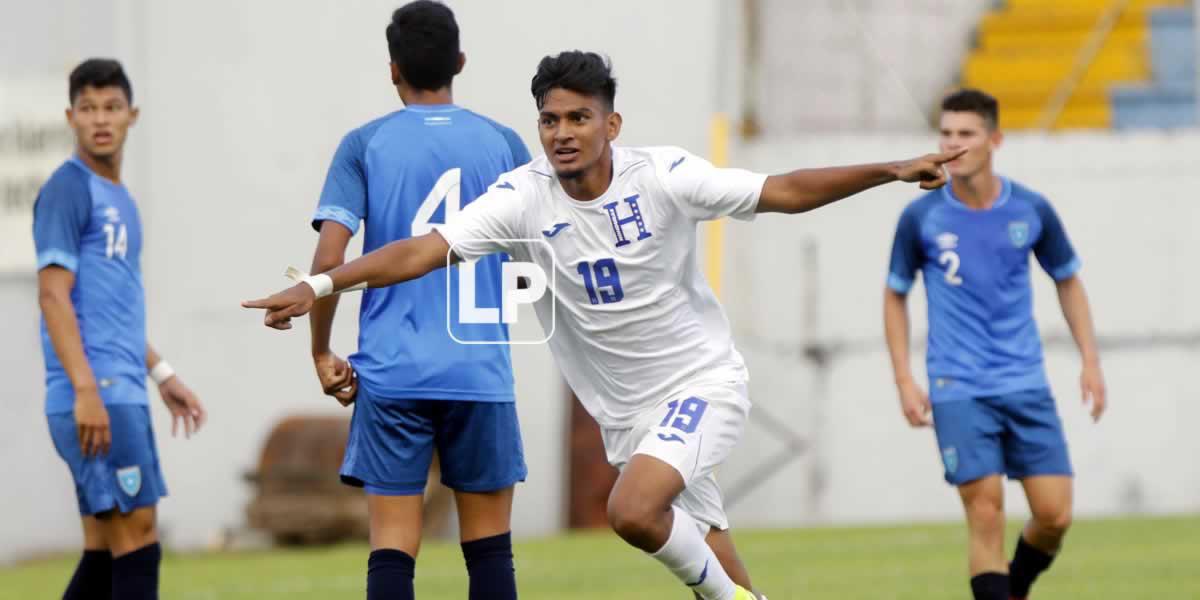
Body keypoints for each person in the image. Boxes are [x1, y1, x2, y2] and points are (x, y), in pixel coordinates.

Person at [245, 51, 959, 600]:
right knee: (712, 551)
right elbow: (423, 249)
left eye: (578, 118)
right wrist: (320, 283)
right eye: (550, 120)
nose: (562, 133)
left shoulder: (664, 177)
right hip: (629, 419)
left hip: (703, 387)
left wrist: (890, 169)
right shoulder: (520, 199)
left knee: (634, 511)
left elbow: (781, 190)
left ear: (610, 124)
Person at [303, 3, 529, 599]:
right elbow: (540, 256)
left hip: (393, 370)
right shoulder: (504, 143)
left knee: (393, 550)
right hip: (479, 371)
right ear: (459, 62)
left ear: (392, 69)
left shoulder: (365, 143)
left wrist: (321, 350)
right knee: (489, 552)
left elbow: (329, 261)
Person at [882, 89, 1106, 600]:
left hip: (1025, 381)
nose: (952, 144)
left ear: (994, 140)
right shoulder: (922, 217)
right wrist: (903, 378)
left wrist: (1090, 361)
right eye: (946, 133)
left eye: (966, 133)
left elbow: (1067, 280)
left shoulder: (1030, 209)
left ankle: (1014, 586)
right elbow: (894, 295)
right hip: (957, 385)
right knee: (985, 512)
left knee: (1054, 515)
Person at [34, 58, 207, 600]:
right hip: (98, 395)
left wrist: (160, 371)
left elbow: (110, 307)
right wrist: (86, 389)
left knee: (105, 546)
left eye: (111, 107)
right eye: (88, 109)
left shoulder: (123, 200)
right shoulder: (68, 189)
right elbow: (52, 295)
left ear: (132, 115)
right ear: (71, 117)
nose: (100, 119)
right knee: (139, 538)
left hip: (120, 384)